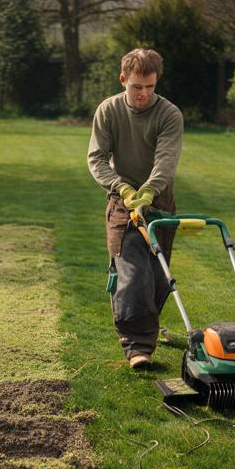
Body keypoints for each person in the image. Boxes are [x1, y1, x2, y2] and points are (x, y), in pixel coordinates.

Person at [87, 48, 184, 369]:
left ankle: (148, 325)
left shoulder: (169, 114)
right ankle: (137, 347)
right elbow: (97, 158)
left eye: (150, 87)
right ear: (123, 79)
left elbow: (166, 160)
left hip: (159, 201)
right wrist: (124, 189)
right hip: (122, 201)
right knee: (131, 272)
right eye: (136, 87)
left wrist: (148, 193)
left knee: (158, 275)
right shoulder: (109, 110)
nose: (143, 94)